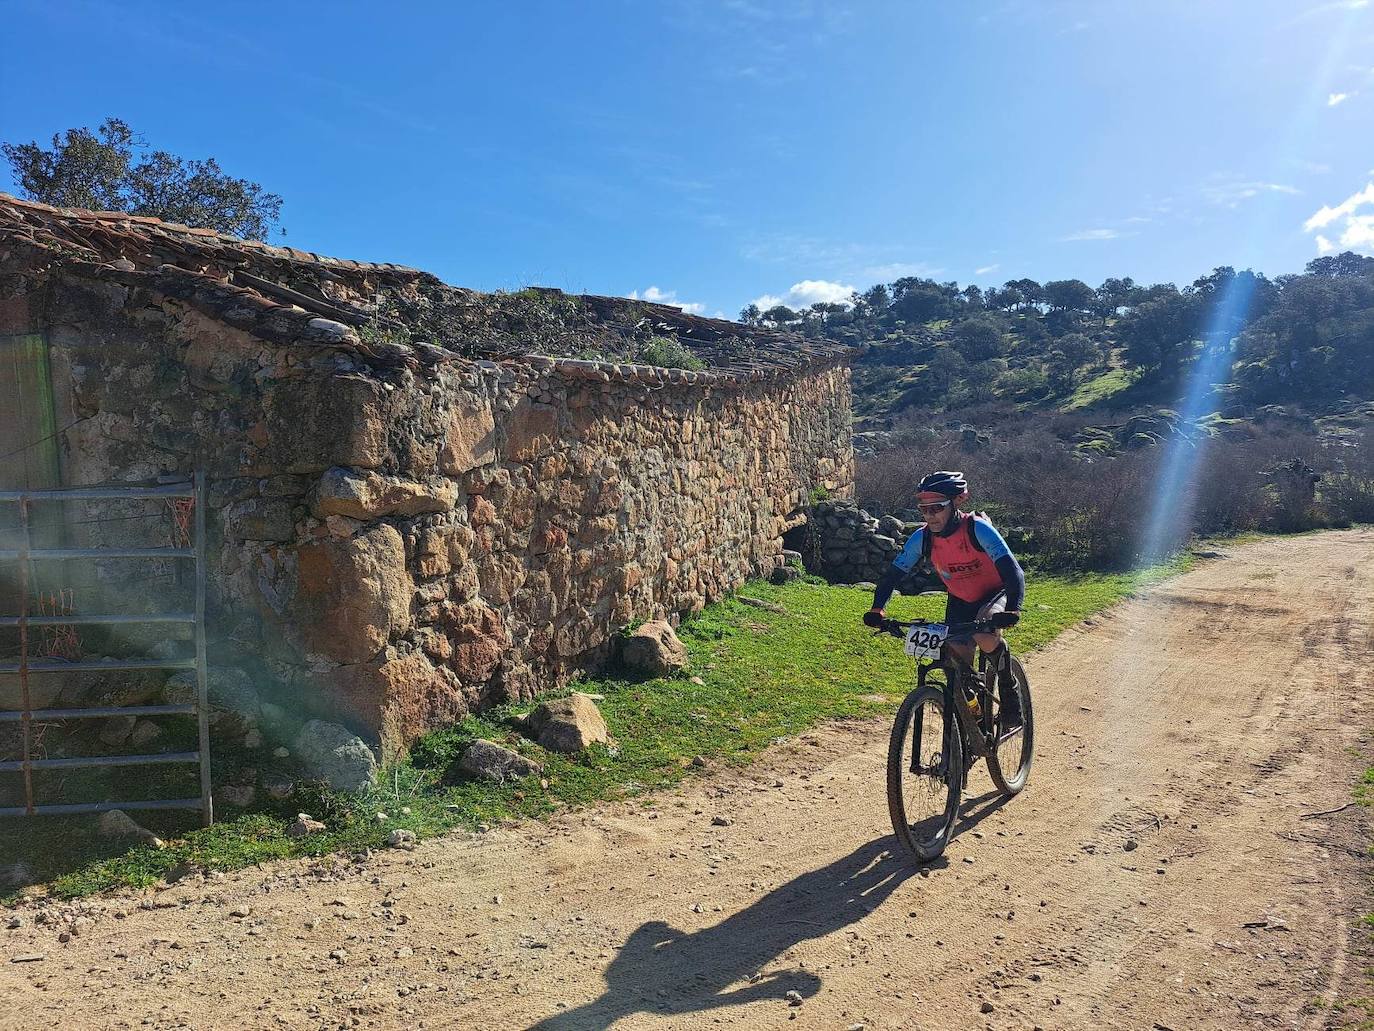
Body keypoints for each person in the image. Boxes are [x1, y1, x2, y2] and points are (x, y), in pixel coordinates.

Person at [863, 470, 1025, 722]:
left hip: (995, 593)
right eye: (924, 510)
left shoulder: (977, 529)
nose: (930, 516)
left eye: (936, 508)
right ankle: (972, 722)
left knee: (984, 634)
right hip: (960, 599)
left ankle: (1008, 689)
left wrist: (1013, 609)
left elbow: (1014, 572)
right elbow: (892, 576)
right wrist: (877, 609)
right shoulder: (923, 537)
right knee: (956, 664)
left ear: (956, 502)